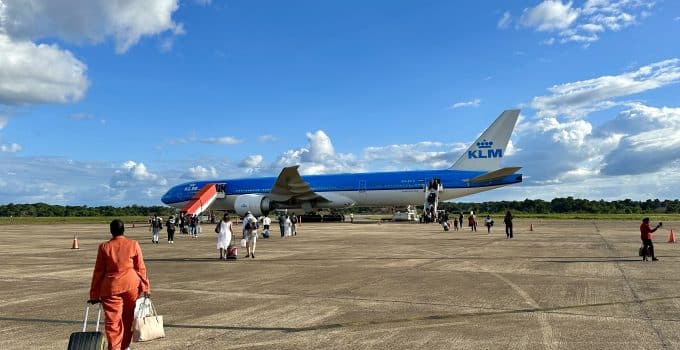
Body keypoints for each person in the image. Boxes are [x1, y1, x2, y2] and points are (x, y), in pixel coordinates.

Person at [89, 219, 150, 350]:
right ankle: (125, 346)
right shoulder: (133, 244)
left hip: (111, 287)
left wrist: (94, 294)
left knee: (113, 322)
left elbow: (98, 271)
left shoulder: (104, 247)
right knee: (127, 319)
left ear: (111, 231)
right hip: (131, 285)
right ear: (124, 230)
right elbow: (141, 268)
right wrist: (145, 287)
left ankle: (115, 347)